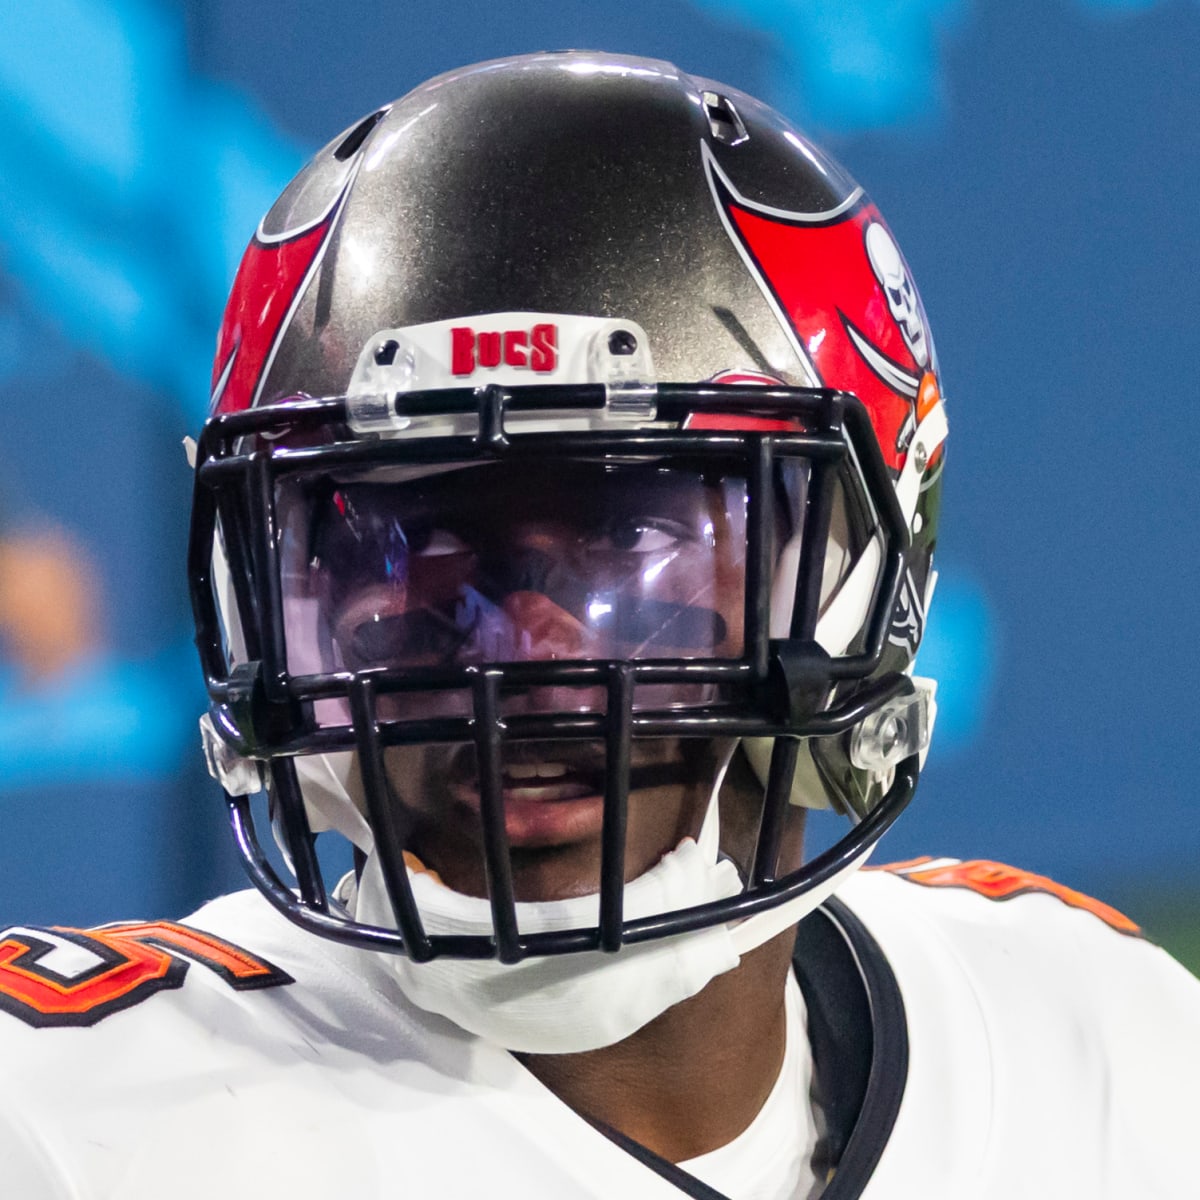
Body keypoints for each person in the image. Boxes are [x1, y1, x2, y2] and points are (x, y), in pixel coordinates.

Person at [0, 51, 1196, 1199]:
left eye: (630, 539)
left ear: (856, 576)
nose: (516, 651)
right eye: (406, 548)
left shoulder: (1090, 1041)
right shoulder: (70, 1123)